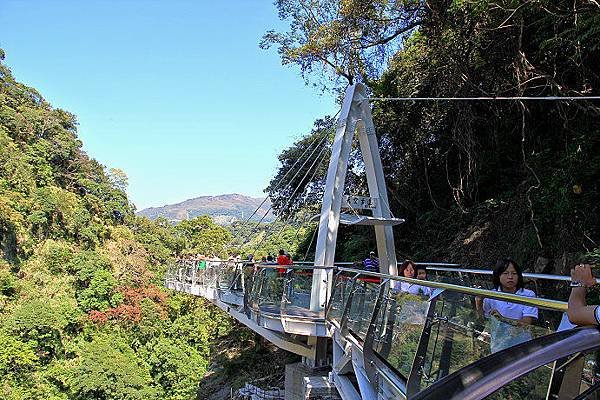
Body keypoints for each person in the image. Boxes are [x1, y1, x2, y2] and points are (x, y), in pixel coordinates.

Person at [476, 258, 538, 353]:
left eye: (514, 273)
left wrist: (502, 319)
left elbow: (526, 322)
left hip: (522, 346)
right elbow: (482, 321)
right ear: (498, 275)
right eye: (505, 273)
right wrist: (479, 303)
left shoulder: (528, 295)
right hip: (499, 346)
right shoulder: (491, 295)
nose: (510, 277)